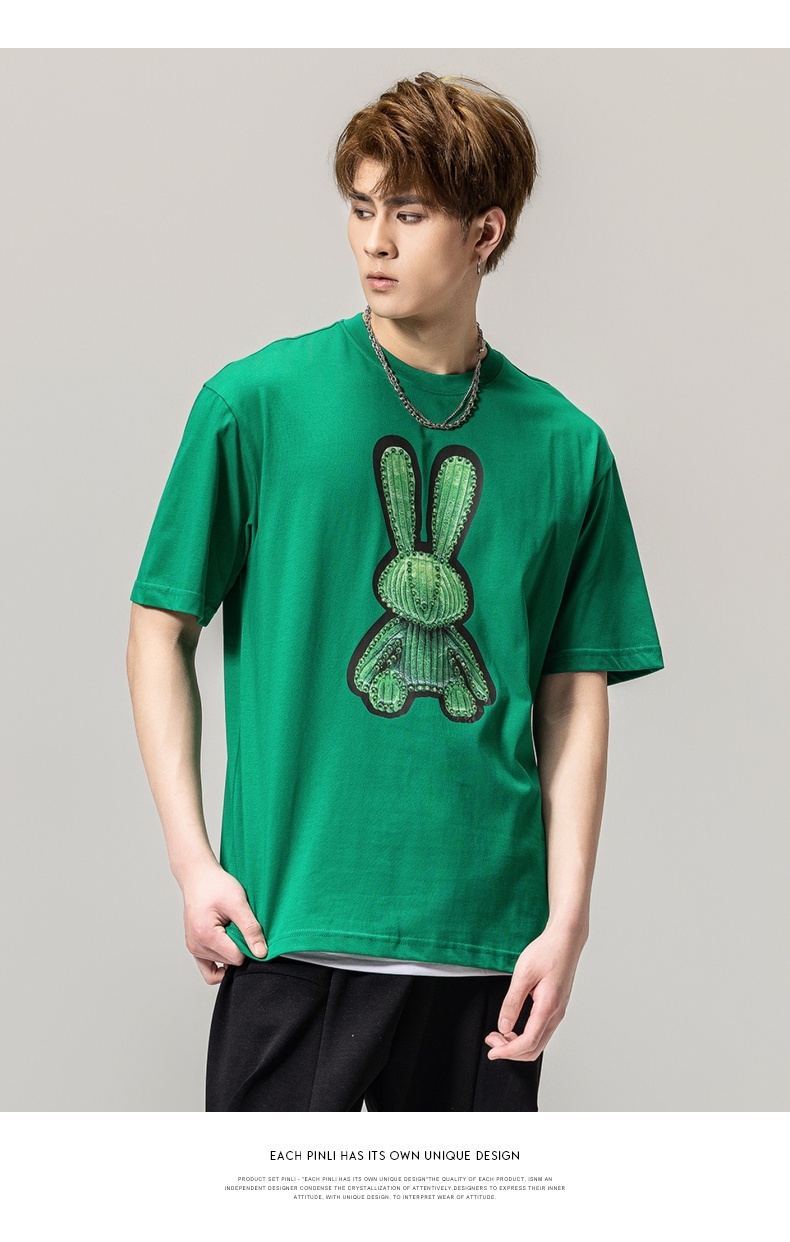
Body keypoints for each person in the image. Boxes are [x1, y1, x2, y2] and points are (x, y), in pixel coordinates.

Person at [126, 71, 664, 1112]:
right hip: (291, 929)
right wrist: (194, 864)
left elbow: (572, 696)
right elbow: (158, 627)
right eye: (361, 207)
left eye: (408, 214)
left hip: (487, 951)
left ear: (485, 233)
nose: (373, 240)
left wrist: (567, 920)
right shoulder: (256, 404)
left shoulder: (568, 448)